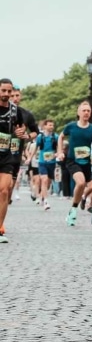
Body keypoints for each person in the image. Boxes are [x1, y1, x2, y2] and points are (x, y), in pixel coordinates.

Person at [0, 78, 38, 242]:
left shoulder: (17, 112)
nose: (7, 94)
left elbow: (25, 131)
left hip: (9, 156)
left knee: (4, 190)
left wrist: (23, 135)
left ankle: (0, 229)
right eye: (4, 91)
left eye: (9, 91)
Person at [57, 101, 92, 227]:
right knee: (81, 182)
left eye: (88, 111)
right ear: (78, 113)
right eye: (84, 110)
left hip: (86, 163)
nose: (86, 113)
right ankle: (73, 210)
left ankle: (76, 204)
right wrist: (60, 152)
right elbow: (61, 136)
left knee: (91, 186)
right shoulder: (71, 126)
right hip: (72, 161)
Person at [35, 119, 59, 211]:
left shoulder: (55, 137)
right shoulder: (40, 137)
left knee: (48, 183)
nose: (51, 127)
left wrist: (58, 153)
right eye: (49, 125)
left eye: (52, 125)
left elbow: (59, 147)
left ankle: (42, 196)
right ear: (45, 126)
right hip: (42, 162)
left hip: (52, 162)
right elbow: (36, 147)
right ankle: (46, 201)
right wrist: (30, 158)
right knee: (44, 180)